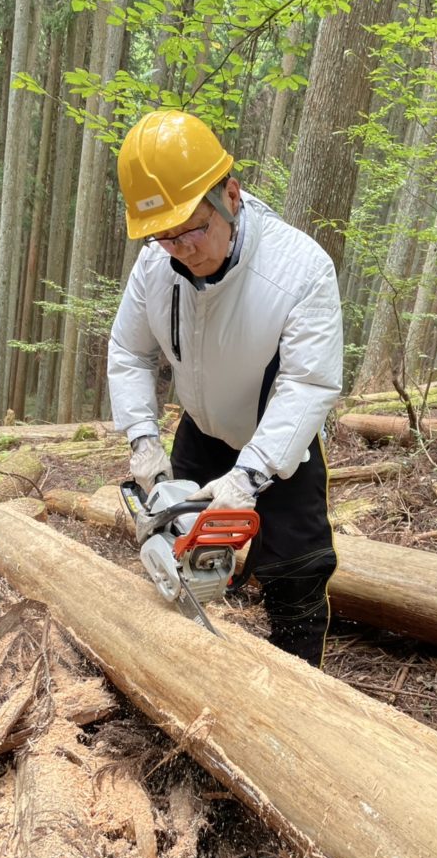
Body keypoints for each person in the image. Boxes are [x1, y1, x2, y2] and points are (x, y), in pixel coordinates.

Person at [108, 109, 343, 667]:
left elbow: (308, 383)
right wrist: (142, 437)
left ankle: (299, 682)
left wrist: (250, 476)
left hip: (278, 437)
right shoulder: (154, 266)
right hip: (202, 427)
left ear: (230, 196)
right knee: (179, 547)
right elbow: (129, 351)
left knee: (297, 567)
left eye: (192, 229)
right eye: (165, 235)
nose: (181, 248)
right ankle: (183, 663)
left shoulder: (300, 269)